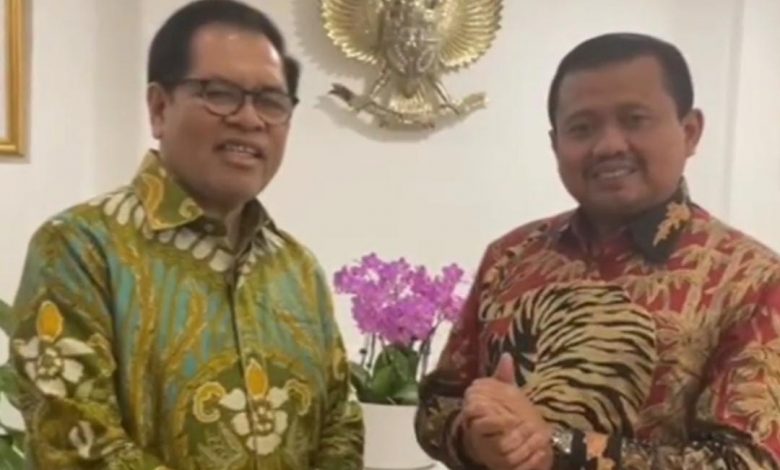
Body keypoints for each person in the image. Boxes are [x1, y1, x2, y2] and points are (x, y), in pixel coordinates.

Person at [9, 1, 363, 468]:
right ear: (159, 108)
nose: (250, 119)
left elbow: (340, 422)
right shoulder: (80, 248)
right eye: (220, 93)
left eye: (271, 102)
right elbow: (76, 441)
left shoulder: (298, 269)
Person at [415, 32, 780, 469]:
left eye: (634, 120)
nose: (609, 146)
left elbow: (746, 460)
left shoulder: (753, 279)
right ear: (555, 144)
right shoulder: (511, 257)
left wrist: (555, 447)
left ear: (689, 132)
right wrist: (477, 437)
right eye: (582, 128)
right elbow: (438, 404)